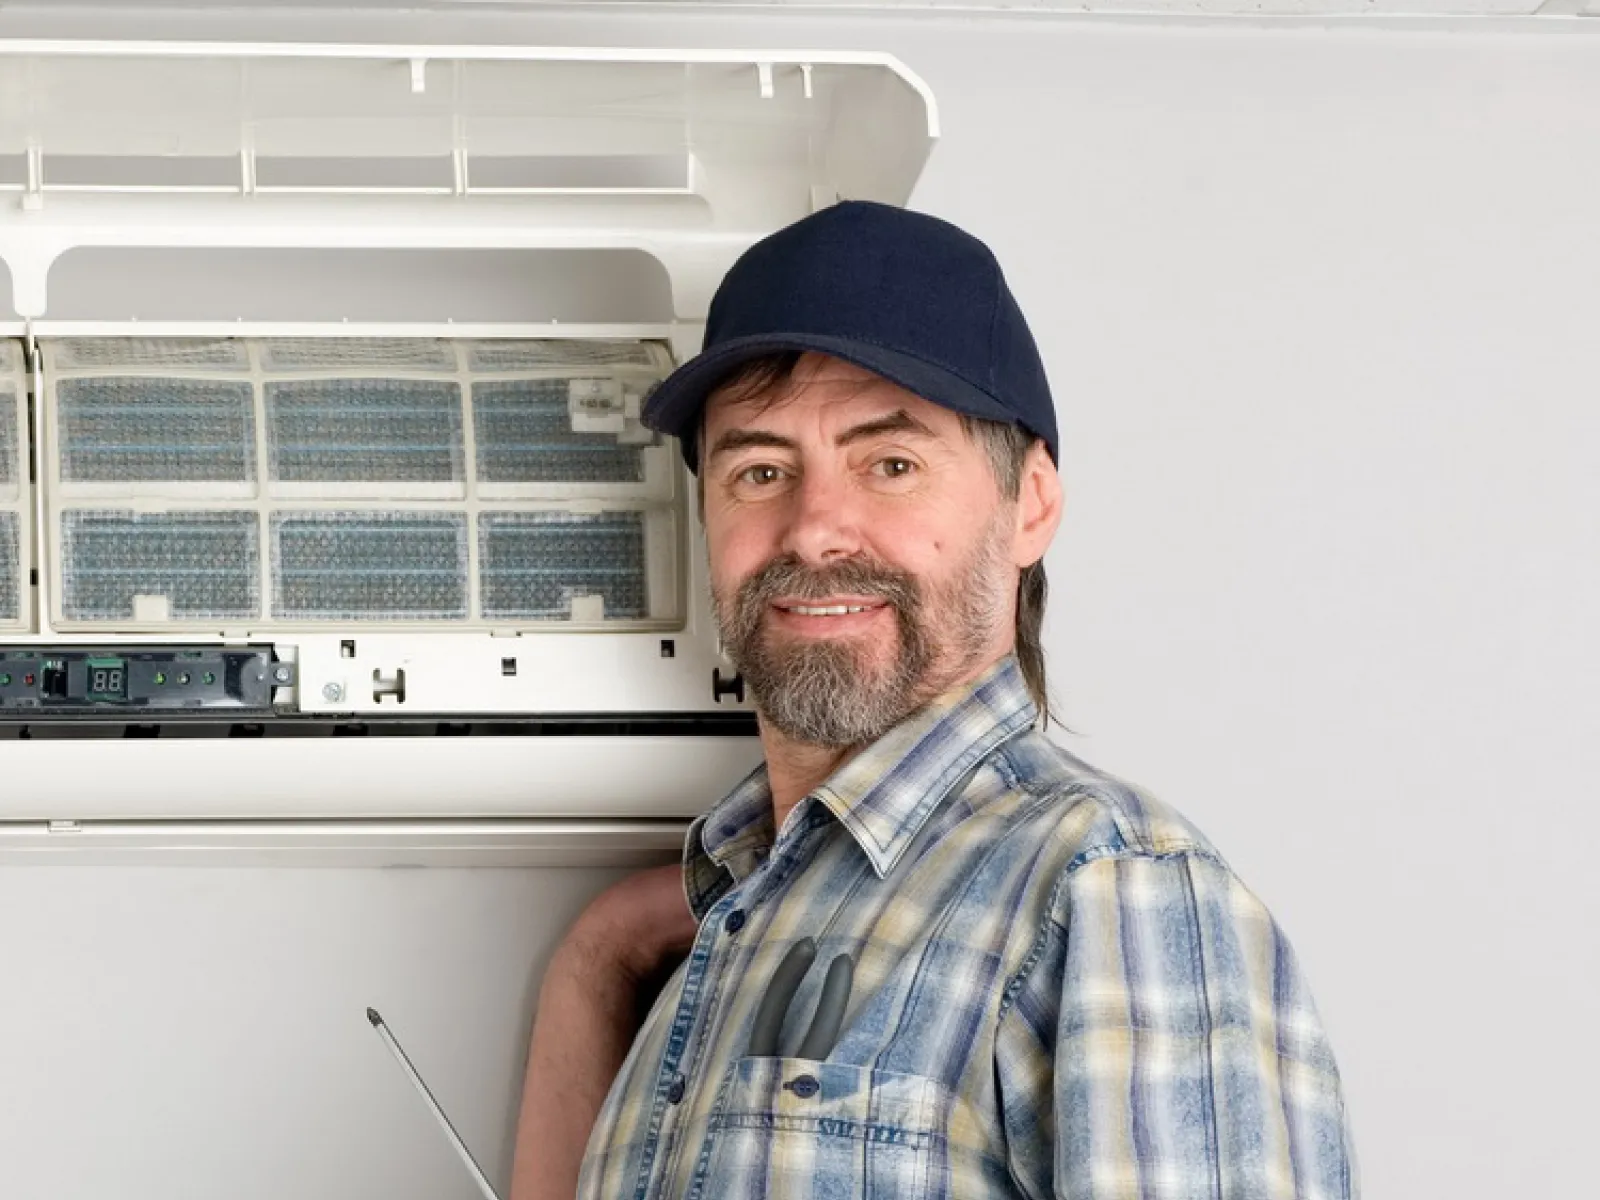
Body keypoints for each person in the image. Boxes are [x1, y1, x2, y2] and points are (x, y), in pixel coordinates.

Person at [509, 200, 1358, 1199]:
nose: (816, 530)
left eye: (892, 464)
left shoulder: (1103, 887)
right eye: (760, 469)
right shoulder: (732, 918)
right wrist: (598, 952)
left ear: (1029, 504)